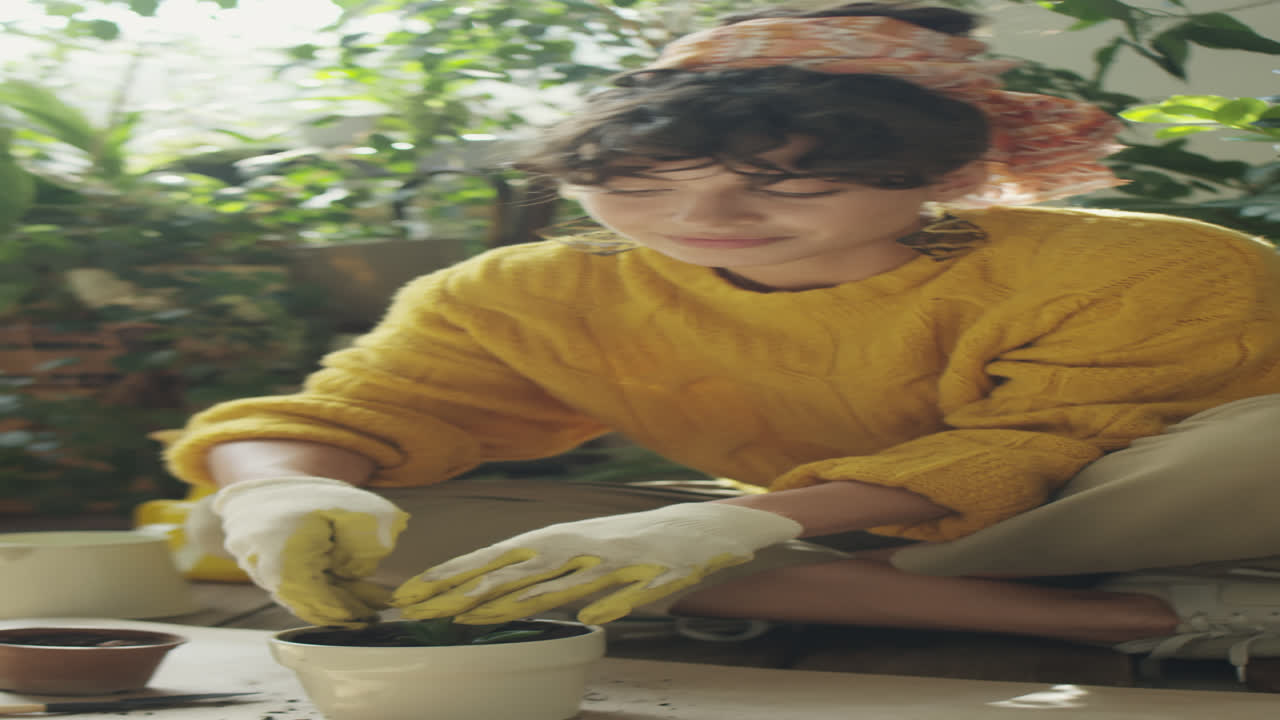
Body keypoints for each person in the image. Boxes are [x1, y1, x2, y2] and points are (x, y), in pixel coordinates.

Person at [171, 1, 1280, 680]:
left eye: (789, 179)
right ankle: (1150, 626)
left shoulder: (1147, 265)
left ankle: (1121, 594)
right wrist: (277, 491)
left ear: (942, 176)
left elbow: (1043, 448)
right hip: (819, 538)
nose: (703, 217)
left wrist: (726, 530)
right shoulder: (527, 289)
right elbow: (351, 412)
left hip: (1123, 512)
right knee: (400, 541)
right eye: (641, 180)